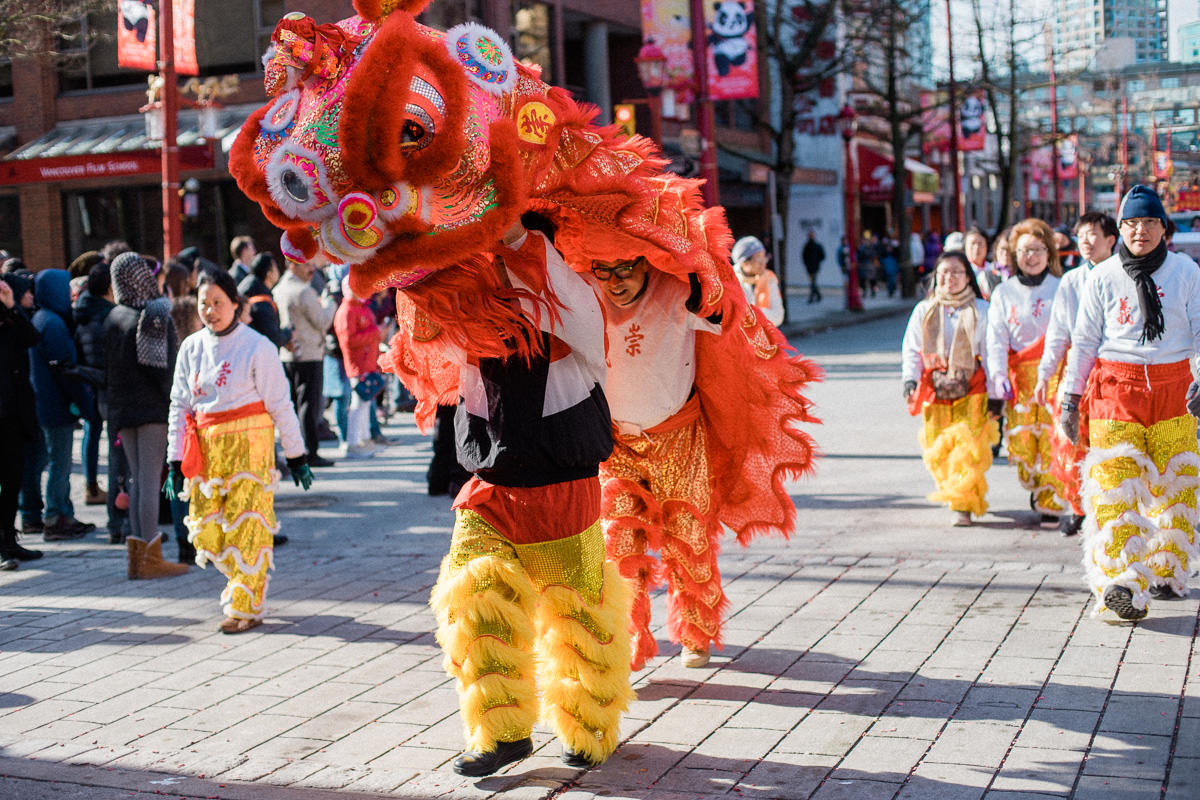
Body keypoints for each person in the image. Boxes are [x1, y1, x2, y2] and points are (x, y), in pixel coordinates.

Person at [389, 222, 635, 776]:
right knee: (474, 598)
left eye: (506, 256)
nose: (495, 266)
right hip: (489, 485)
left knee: (579, 617)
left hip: (561, 484)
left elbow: (561, 296)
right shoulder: (475, 311)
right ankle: (501, 733)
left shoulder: (574, 305)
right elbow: (430, 334)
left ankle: (588, 726)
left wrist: (515, 234)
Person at [585, 248, 819, 669]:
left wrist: (699, 266)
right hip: (616, 444)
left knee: (688, 535)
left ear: (645, 265)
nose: (615, 281)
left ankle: (694, 634)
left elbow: (725, 313)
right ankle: (624, 641)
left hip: (679, 435)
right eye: (604, 269)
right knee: (616, 543)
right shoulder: (587, 294)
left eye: (624, 269)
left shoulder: (679, 290)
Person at [1060, 185, 1200, 621]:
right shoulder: (1102, 275)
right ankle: (1121, 583)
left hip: (1175, 389)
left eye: (1149, 222)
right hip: (1115, 390)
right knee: (1114, 487)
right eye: (1132, 223)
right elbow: (1083, 341)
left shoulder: (1185, 271)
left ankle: (1166, 569)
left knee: (1177, 486)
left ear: (1164, 227)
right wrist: (1070, 396)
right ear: (1120, 229)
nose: (1140, 231)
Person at [165, 269, 313, 632]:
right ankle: (241, 585)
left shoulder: (258, 346)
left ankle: (245, 606)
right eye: (204, 303)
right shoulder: (191, 347)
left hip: (249, 449)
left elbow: (281, 404)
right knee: (206, 531)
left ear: (235, 303)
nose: (211, 310)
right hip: (206, 451)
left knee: (247, 526)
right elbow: (179, 405)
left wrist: (296, 455)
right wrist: (174, 458)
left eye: (218, 302)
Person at [1033, 211, 1118, 538]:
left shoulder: (1122, 275)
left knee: (1109, 440)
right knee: (1072, 441)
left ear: (1111, 240)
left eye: (1093, 233)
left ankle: (1110, 506)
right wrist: (1045, 374)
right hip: (1078, 372)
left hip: (1113, 371)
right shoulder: (1071, 281)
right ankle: (1079, 507)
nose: (1085, 240)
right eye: (1081, 234)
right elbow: (1057, 335)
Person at [103, 253, 188, 579]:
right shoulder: (155, 313)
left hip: (122, 408)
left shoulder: (113, 316)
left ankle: (137, 558)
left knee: (139, 479)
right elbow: (164, 368)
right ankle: (151, 557)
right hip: (153, 408)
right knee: (151, 481)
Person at [902, 252, 996, 526]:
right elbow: (911, 349)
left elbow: (990, 352)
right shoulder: (924, 309)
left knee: (967, 447)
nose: (949, 278)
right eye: (943, 272)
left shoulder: (982, 309)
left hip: (973, 386)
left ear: (968, 277)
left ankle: (962, 505)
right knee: (938, 447)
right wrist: (909, 379)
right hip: (935, 388)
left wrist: (996, 395)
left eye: (956, 272)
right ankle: (953, 491)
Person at [986, 218, 1068, 521]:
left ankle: (1050, 497)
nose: (1030, 257)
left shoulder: (1062, 288)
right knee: (1020, 443)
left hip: (1055, 374)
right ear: (1013, 254)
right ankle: (1036, 486)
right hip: (1019, 376)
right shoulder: (1003, 293)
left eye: (1036, 249)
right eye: (1023, 251)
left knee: (1052, 438)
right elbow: (995, 339)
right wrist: (997, 376)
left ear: (1049, 252)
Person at [28, 269, 97, 541]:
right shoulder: (53, 323)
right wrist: (82, 403)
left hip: (46, 404)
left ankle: (64, 512)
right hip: (55, 406)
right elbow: (66, 370)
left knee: (58, 461)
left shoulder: (41, 318)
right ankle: (55, 517)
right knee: (60, 462)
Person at [275, 257, 337, 467]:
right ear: (293, 265)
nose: (312, 269)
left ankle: (296, 450)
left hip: (288, 354)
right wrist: (330, 304)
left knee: (294, 404)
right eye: (307, 265)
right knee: (309, 405)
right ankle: (311, 451)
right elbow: (322, 320)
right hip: (309, 353)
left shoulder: (280, 288)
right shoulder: (303, 291)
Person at [0, 274, 42, 568]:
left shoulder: (11, 316)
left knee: (12, 479)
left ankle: (9, 541)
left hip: (14, 414)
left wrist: (11, 306)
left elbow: (31, 339)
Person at [72, 263, 114, 508]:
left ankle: (90, 484)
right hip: (102, 382)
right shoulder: (107, 315)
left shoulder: (82, 310)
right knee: (111, 439)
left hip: (85, 380)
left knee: (92, 431)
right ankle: (110, 492)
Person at [333, 277, 382, 458]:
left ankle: (362, 439)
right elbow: (349, 341)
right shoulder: (347, 310)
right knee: (358, 403)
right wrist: (374, 333)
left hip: (365, 362)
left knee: (364, 403)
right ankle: (353, 443)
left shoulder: (358, 307)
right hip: (358, 363)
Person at [238, 252, 290, 350]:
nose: (277, 271)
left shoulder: (251, 290)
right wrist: (288, 333)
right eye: (275, 267)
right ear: (269, 274)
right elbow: (273, 339)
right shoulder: (260, 301)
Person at [732, 236, 784, 325]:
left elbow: (778, 316)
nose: (763, 262)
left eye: (764, 256)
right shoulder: (731, 282)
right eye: (758, 258)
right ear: (744, 262)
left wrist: (751, 314)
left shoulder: (769, 278)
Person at [964, 227, 999, 299]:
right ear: (965, 247)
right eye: (973, 243)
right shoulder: (962, 271)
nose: (976, 247)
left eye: (980, 243)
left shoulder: (994, 269)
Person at [801, 230, 825, 304]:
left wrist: (817, 262)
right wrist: (806, 264)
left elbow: (822, 255)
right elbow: (804, 256)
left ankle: (812, 297)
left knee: (813, 282)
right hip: (809, 267)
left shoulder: (817, 246)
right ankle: (818, 295)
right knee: (813, 282)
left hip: (815, 267)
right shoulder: (807, 246)